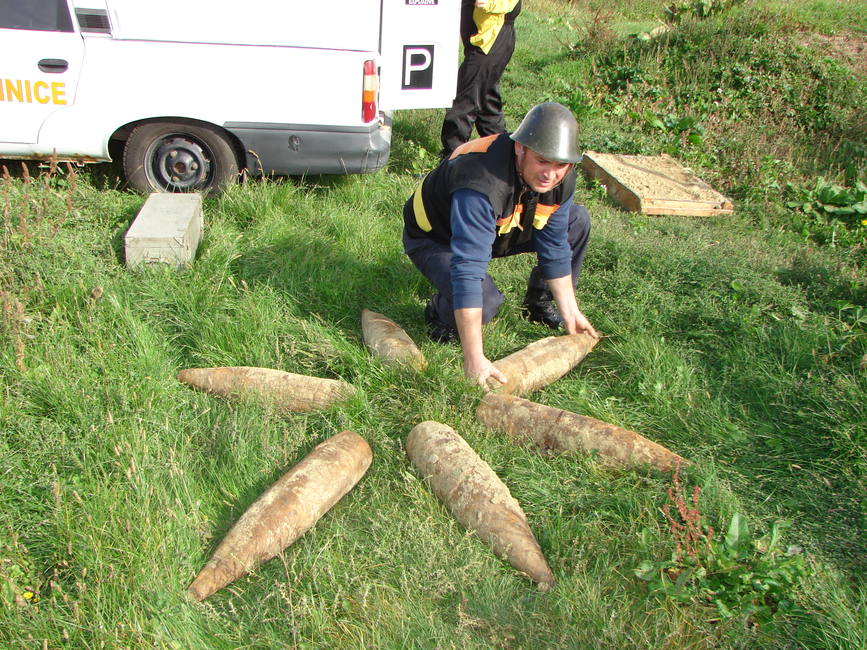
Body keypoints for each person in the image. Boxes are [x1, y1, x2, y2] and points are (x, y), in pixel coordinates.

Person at [403, 102, 599, 387]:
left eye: (560, 165)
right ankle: (440, 315)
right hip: (436, 237)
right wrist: (474, 358)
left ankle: (540, 304)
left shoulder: (559, 178)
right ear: (520, 148)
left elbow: (555, 244)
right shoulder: (480, 180)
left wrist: (571, 310)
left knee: (576, 221)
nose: (551, 173)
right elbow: (468, 269)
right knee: (484, 300)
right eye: (542, 161)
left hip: (499, 226)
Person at [440, 0, 522, 159]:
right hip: (483, 36)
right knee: (486, 101)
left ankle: (452, 159)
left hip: (493, 37)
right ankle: (502, 154)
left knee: (464, 99)